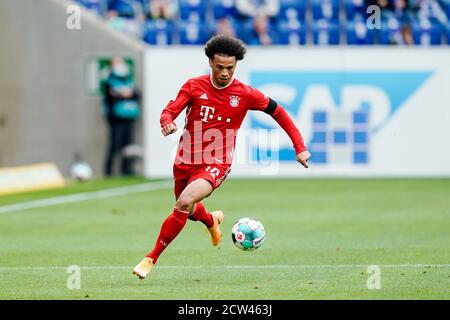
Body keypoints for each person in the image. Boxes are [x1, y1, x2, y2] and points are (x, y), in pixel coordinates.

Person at [132, 35, 311, 279]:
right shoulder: (194, 86)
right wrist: (166, 122)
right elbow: (169, 111)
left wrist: (299, 146)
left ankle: (150, 258)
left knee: (183, 203)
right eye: (220, 67)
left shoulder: (246, 94)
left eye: (230, 67)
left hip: (217, 160)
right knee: (188, 207)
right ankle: (211, 221)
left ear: (236, 65)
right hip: (185, 158)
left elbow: (278, 112)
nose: (225, 73)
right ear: (210, 63)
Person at [103, 56, 141, 177]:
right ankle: (109, 171)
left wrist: (127, 94)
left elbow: (136, 94)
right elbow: (112, 97)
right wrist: (124, 94)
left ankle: (126, 169)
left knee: (128, 145)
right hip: (116, 118)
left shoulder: (128, 80)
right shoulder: (110, 81)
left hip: (129, 117)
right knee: (115, 145)